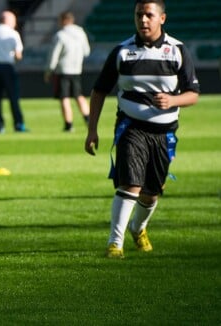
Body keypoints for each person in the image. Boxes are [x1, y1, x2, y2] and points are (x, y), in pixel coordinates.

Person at [84, 0, 200, 259]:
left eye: (149, 15)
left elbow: (193, 95)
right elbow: (99, 90)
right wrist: (92, 130)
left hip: (164, 134)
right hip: (130, 128)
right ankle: (115, 243)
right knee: (130, 185)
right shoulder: (122, 52)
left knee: (151, 193)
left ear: (162, 18)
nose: (143, 20)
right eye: (139, 15)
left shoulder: (177, 51)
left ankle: (139, 228)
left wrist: (173, 100)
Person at [44, 11, 91, 132]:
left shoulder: (60, 35)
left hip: (63, 70)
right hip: (77, 69)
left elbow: (53, 55)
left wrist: (49, 70)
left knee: (64, 97)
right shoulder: (80, 32)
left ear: (64, 20)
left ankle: (68, 124)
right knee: (78, 95)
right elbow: (87, 51)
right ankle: (88, 119)